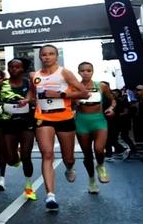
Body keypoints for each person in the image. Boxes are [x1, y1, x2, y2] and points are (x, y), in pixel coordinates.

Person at [29, 45, 88, 212]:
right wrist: (29, 101)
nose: (47, 57)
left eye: (51, 54)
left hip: (64, 117)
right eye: (44, 55)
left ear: (56, 56)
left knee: (68, 157)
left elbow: (84, 93)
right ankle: (50, 196)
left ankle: (69, 167)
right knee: (47, 154)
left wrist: (61, 95)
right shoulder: (35, 75)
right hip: (43, 117)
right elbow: (34, 94)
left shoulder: (65, 73)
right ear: (40, 57)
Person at [0, 58, 37, 200]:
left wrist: (31, 101)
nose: (14, 69)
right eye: (11, 67)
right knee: (11, 159)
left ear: (23, 69)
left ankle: (28, 187)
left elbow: (37, 98)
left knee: (27, 156)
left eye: (17, 67)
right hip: (8, 123)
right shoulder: (2, 84)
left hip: (27, 123)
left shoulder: (29, 83)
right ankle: (15, 158)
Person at [74, 62, 115, 194]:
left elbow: (113, 100)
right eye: (83, 71)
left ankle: (101, 166)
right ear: (78, 72)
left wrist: (111, 108)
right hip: (81, 121)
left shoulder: (101, 86)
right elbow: (68, 103)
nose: (86, 73)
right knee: (87, 155)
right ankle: (92, 180)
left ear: (92, 71)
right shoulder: (75, 87)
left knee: (98, 149)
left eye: (89, 70)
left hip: (99, 120)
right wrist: (74, 102)